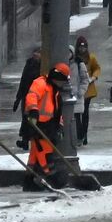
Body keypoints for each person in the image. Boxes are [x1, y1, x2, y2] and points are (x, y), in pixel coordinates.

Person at [23, 62, 68, 190]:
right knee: (44, 152)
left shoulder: (55, 91)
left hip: (47, 126)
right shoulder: (41, 83)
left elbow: (56, 111)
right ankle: (50, 176)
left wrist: (60, 126)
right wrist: (33, 111)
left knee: (34, 155)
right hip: (37, 124)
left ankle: (29, 180)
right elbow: (32, 96)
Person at [69, 34, 101, 146]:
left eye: (84, 47)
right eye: (80, 47)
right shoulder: (74, 59)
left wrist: (93, 77)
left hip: (88, 90)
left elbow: (97, 68)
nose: (82, 49)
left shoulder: (91, 57)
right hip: (77, 89)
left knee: (85, 113)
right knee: (77, 114)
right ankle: (80, 134)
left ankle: (84, 134)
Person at [12, 48, 43, 150]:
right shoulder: (29, 64)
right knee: (25, 118)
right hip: (26, 94)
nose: (36, 55)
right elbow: (23, 80)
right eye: (35, 52)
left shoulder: (43, 66)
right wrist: (18, 98)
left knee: (33, 119)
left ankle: (34, 140)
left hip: (37, 95)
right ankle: (25, 140)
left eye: (38, 53)